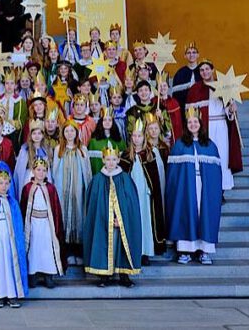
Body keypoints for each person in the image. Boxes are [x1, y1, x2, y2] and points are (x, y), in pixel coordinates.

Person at [166, 107, 223, 265]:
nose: (193, 125)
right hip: (185, 188)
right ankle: (185, 251)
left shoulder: (210, 145)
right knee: (186, 213)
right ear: (186, 125)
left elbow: (216, 175)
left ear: (200, 123)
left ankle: (204, 251)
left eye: (195, 122)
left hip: (204, 188)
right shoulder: (179, 145)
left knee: (204, 214)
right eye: (190, 122)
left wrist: (214, 191)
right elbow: (173, 175)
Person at [83, 142, 142, 287]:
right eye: (108, 159)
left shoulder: (125, 179)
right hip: (103, 222)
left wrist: (120, 219)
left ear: (118, 160)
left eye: (114, 159)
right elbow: (93, 206)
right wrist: (105, 218)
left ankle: (124, 275)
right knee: (104, 244)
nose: (111, 163)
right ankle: (104, 275)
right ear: (103, 160)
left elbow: (130, 204)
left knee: (122, 245)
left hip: (120, 222)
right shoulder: (97, 180)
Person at [186, 60, 242, 193]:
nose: (205, 72)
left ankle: (221, 189)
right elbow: (190, 113)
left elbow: (229, 112)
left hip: (221, 126)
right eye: (202, 70)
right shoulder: (195, 89)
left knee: (222, 156)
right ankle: (208, 187)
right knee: (207, 157)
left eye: (207, 69)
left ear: (212, 70)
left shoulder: (223, 87)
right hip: (204, 129)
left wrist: (231, 109)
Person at [120, 119, 167, 260]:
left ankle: (145, 251)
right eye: (134, 136)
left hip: (146, 197)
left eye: (139, 136)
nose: (136, 139)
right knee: (133, 223)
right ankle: (134, 251)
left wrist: (152, 193)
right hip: (131, 196)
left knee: (146, 222)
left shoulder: (150, 154)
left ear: (144, 137)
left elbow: (155, 181)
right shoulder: (126, 155)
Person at [0, 170, 28, 309]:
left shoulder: (13, 203)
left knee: (10, 263)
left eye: (6, 183)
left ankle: (12, 294)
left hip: (10, 241)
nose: (3, 186)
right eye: (0, 183)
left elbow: (18, 224)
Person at [20, 159, 65, 289]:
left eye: (44, 170)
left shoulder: (50, 188)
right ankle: (32, 274)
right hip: (32, 223)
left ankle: (48, 275)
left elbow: (56, 208)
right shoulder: (27, 188)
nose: (41, 173)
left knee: (47, 249)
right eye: (38, 170)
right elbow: (23, 207)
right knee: (33, 248)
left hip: (46, 224)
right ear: (33, 171)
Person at [52, 119, 92, 265]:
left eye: (72, 130)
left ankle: (78, 250)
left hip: (78, 190)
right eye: (67, 130)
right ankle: (67, 251)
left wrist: (87, 188)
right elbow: (54, 170)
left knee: (79, 216)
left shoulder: (82, 149)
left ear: (76, 132)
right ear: (63, 133)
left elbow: (87, 171)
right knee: (65, 216)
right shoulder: (58, 150)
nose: (69, 133)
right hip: (63, 190)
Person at [87, 108, 126, 175]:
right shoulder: (93, 142)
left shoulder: (120, 142)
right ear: (100, 122)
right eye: (104, 120)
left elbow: (124, 163)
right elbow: (91, 164)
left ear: (113, 123)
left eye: (110, 120)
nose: (107, 122)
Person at [172, 42, 201, 112]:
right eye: (188, 53)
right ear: (185, 56)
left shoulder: (203, 71)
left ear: (198, 55)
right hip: (184, 109)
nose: (191, 55)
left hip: (201, 108)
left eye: (194, 52)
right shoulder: (179, 73)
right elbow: (175, 96)